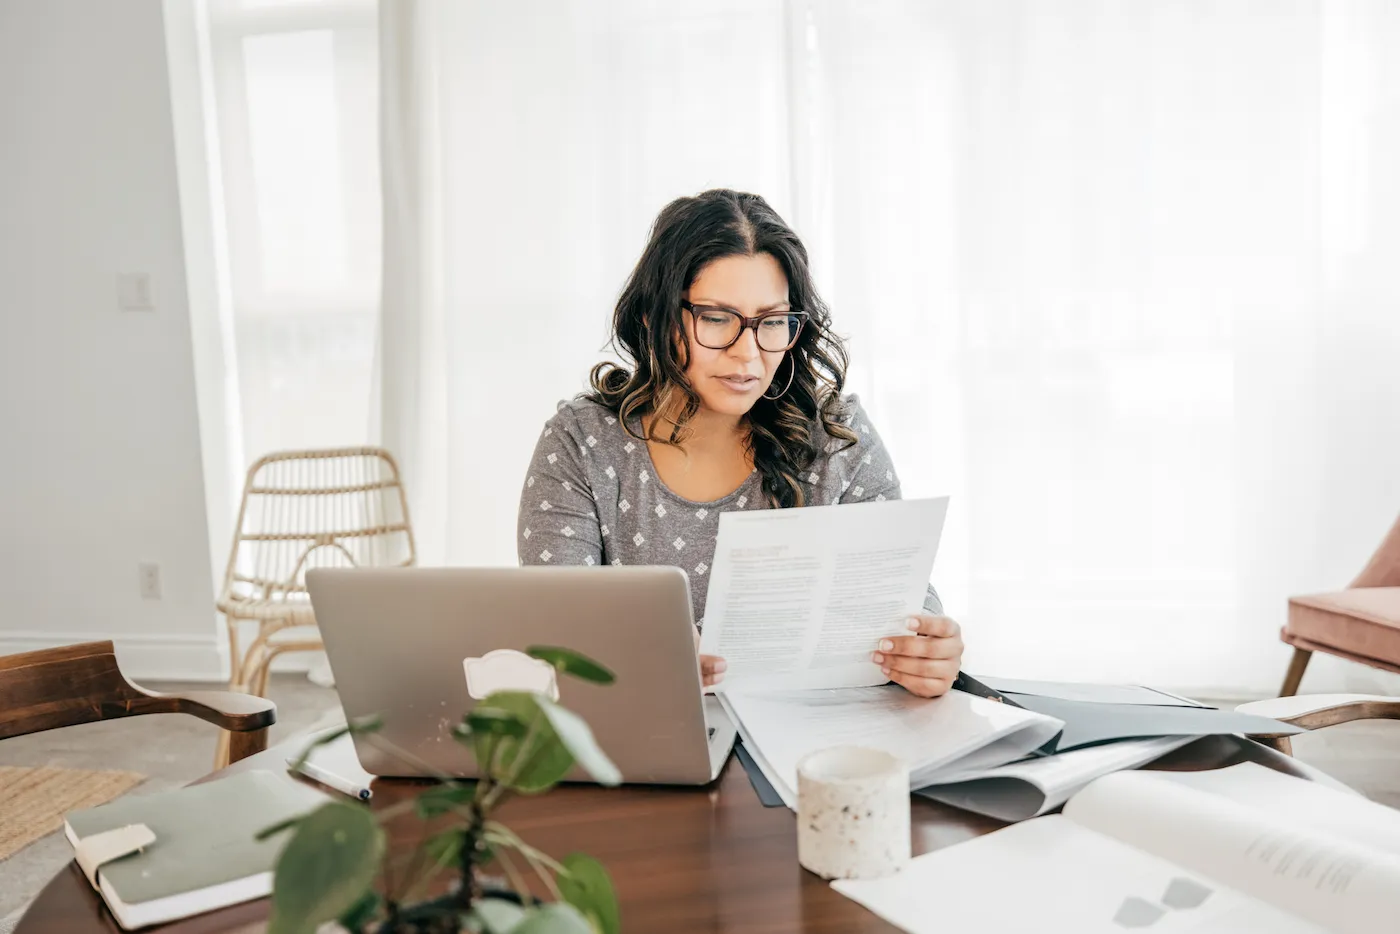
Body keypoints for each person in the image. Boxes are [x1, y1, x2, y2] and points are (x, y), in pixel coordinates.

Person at [516, 189, 963, 697]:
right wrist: (641, 655)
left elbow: (896, 594)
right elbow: (557, 640)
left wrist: (928, 646)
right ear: (654, 318)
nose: (748, 353)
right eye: (716, 318)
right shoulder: (580, 444)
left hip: (814, 737)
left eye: (771, 322)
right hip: (648, 746)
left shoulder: (838, 438)